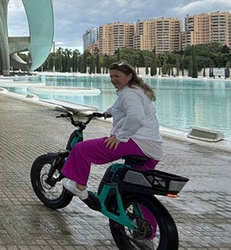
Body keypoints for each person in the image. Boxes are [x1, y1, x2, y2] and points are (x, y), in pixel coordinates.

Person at [61, 61, 162, 200]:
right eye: (111, 76)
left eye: (117, 76)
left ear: (129, 76)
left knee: (80, 150)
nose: (113, 80)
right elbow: (127, 108)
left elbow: (135, 117)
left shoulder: (129, 94)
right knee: (140, 191)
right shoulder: (137, 90)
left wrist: (120, 137)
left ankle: (79, 188)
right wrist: (109, 112)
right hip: (153, 148)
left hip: (136, 142)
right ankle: (148, 221)